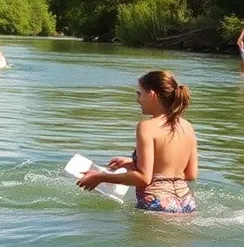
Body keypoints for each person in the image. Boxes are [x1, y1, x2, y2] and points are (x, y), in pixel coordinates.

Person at [77, 70, 198, 214]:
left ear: (152, 95)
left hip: (156, 202)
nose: (138, 100)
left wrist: (99, 177)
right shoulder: (187, 126)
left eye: (139, 94)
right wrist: (133, 163)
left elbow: (143, 178)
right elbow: (190, 174)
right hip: (186, 203)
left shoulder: (146, 126)